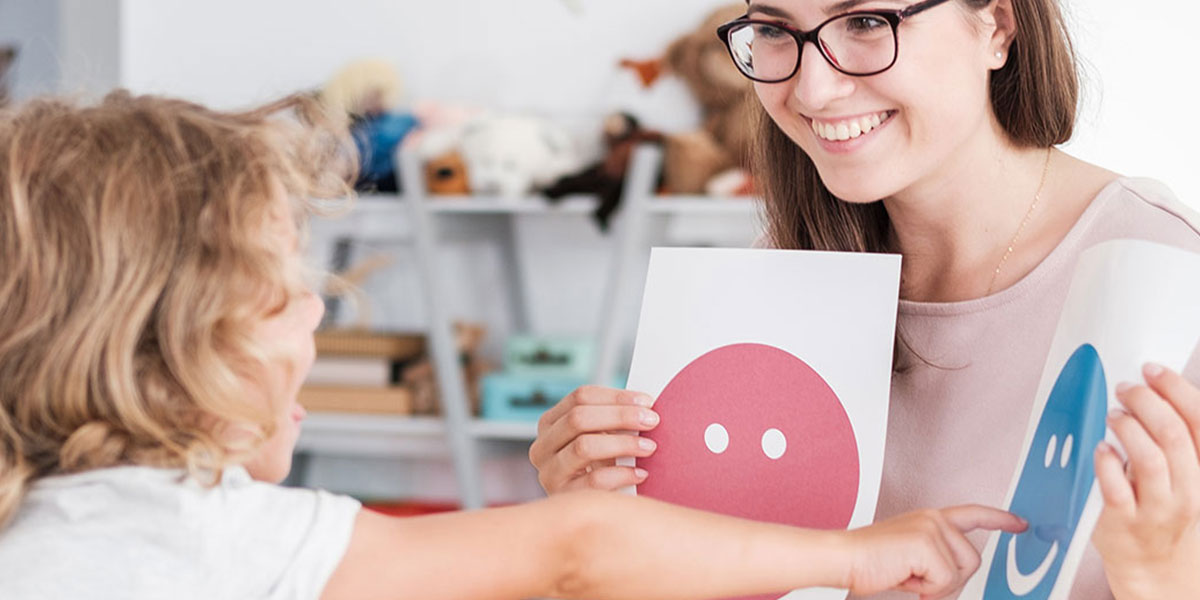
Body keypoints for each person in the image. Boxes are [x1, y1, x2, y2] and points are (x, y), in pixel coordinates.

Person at [0, 92, 1026, 600]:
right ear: (166, 343)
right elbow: (575, 550)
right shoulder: (177, 529)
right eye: (282, 296)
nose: (317, 317)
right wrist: (855, 555)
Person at [529, 1, 1200, 598]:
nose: (813, 88)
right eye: (773, 29)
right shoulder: (782, 269)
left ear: (996, 25)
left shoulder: (1163, 277)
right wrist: (608, 520)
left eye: (866, 21)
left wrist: (1163, 577)